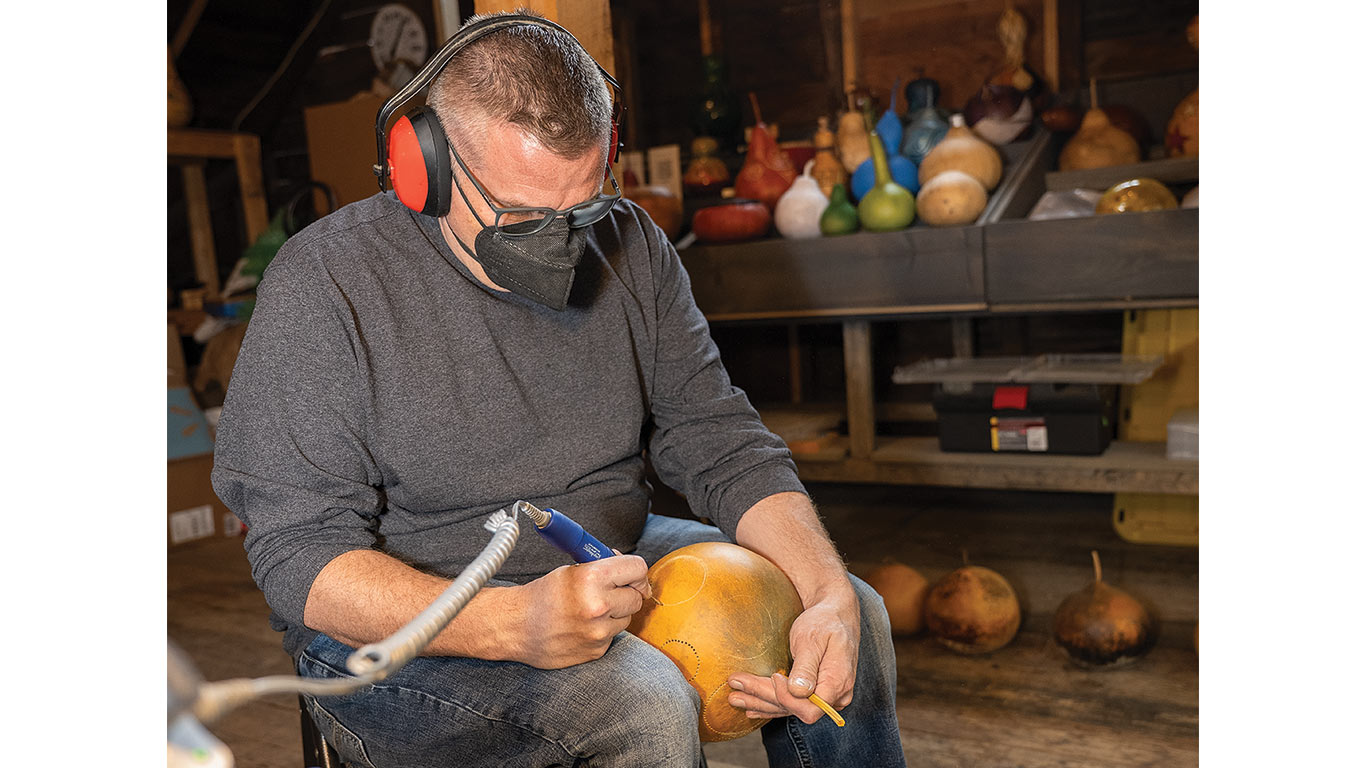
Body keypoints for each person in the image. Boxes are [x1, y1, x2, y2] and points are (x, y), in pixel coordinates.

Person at [212, 10, 905, 768]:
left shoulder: (633, 243)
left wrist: (828, 598)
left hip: (604, 562)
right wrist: (508, 622)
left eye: (581, 208)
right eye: (520, 218)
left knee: (856, 613)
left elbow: (721, 441)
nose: (564, 245)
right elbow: (299, 557)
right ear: (427, 171)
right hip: (391, 630)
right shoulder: (326, 284)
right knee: (638, 702)